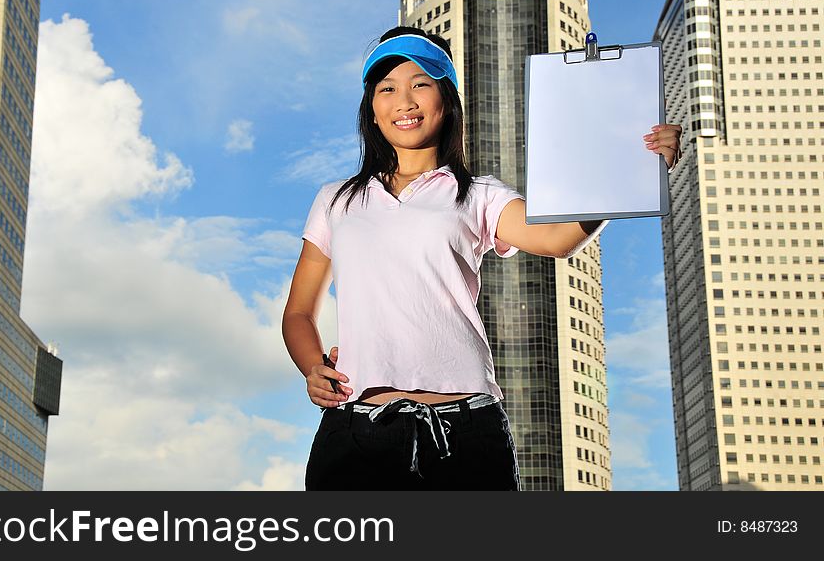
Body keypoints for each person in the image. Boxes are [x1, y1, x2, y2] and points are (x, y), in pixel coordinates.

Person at [282, 26, 681, 490]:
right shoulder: (337, 200)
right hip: (358, 432)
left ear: (446, 101)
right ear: (371, 110)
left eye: (421, 84)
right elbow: (298, 311)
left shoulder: (478, 194)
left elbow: (556, 238)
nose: (404, 101)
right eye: (387, 89)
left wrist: (633, 168)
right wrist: (313, 365)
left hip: (466, 433)